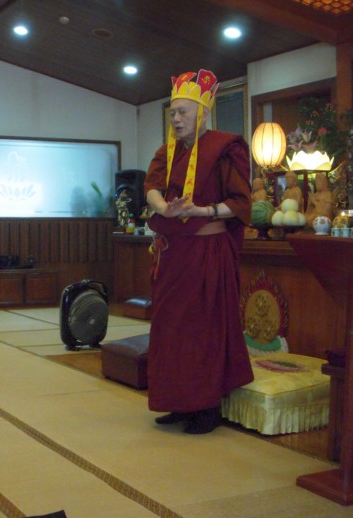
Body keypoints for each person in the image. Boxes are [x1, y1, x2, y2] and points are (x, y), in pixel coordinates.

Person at [143, 69, 253, 434]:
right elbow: (152, 188)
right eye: (172, 113)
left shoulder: (226, 148)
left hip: (207, 250)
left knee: (202, 327)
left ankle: (206, 406)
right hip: (173, 255)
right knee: (169, 327)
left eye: (183, 112)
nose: (176, 119)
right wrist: (164, 208)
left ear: (202, 113)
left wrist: (200, 211)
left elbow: (240, 203)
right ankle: (178, 401)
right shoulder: (166, 152)